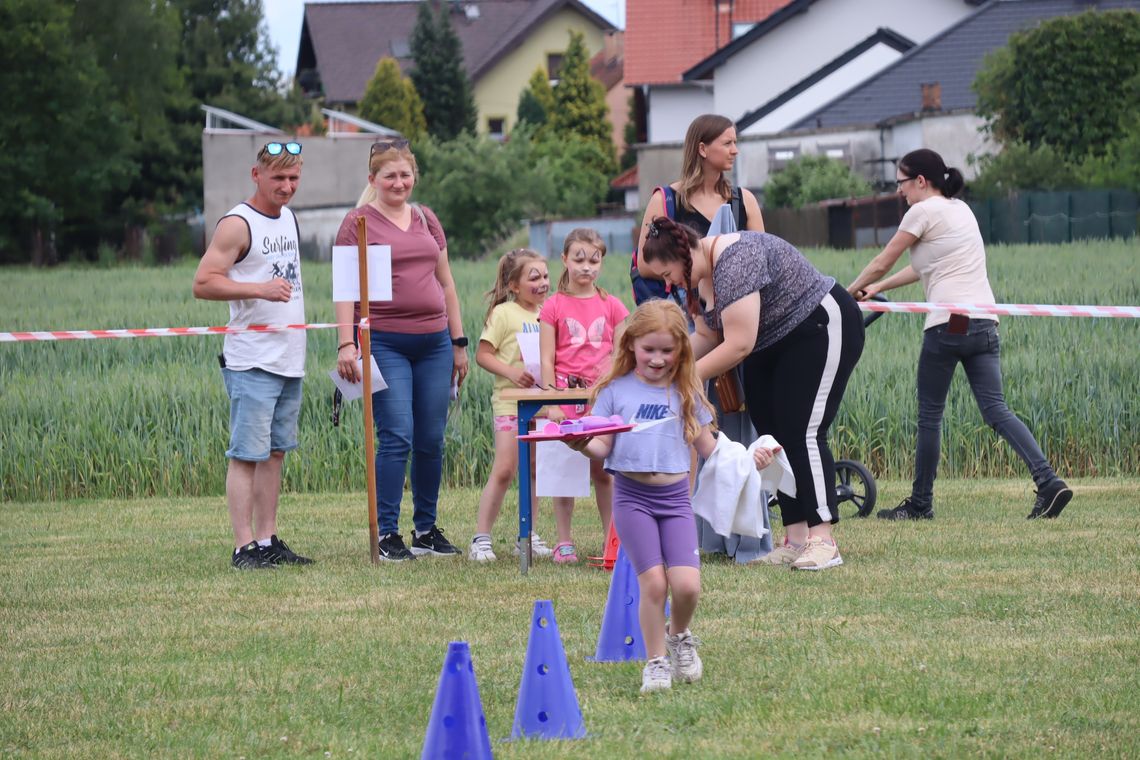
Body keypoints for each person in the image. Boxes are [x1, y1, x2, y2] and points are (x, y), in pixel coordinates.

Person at [846, 148, 1073, 521]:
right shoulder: (959, 209)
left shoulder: (921, 211)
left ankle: (920, 503)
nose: (899, 191)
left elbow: (883, 258)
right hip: (985, 322)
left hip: (949, 325)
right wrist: (880, 287)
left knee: (930, 416)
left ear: (920, 181)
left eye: (901, 183)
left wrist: (847, 291)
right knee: (996, 410)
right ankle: (1048, 481)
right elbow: (926, 267)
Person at [567, 300, 778, 693]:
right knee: (654, 586)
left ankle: (678, 636)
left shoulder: (685, 393)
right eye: (650, 349)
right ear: (631, 345)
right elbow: (602, 447)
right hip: (631, 500)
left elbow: (712, 449)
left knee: (687, 587)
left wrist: (752, 459)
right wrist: (580, 444)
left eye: (668, 351)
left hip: (676, 503)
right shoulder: (615, 392)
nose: (658, 359)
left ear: (681, 350)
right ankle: (656, 662)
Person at [640, 219, 864, 571]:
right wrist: (665, 371)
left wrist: (685, 379)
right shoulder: (703, 279)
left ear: (685, 255)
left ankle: (824, 539)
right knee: (771, 432)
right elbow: (708, 338)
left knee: (801, 430)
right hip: (774, 341)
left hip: (819, 326)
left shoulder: (737, 258)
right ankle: (796, 538)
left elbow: (739, 343)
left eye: (667, 273)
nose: (668, 284)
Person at [632, 113, 768, 563]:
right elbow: (646, 264)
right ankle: (685, 524)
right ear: (702, 148)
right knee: (689, 418)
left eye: (736, 142)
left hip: (737, 320)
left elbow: (759, 256)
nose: (734, 150)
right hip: (686, 322)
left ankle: (744, 528)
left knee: (741, 416)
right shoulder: (667, 200)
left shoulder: (744, 200)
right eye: (727, 143)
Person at [334, 138, 468, 561]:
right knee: (397, 435)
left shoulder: (427, 219)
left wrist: (458, 342)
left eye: (405, 175)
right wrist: (346, 344)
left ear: (414, 177)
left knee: (431, 438)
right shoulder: (357, 223)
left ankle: (425, 530)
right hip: (384, 341)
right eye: (389, 175)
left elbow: (446, 283)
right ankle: (387, 534)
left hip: (434, 342)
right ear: (372, 179)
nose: (398, 182)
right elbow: (344, 290)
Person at [192, 140, 313, 569]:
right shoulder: (237, 224)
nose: (286, 186)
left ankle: (267, 539)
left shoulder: (290, 218)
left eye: (293, 177)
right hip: (252, 359)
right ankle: (243, 548)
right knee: (247, 454)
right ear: (256, 175)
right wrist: (257, 288)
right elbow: (203, 282)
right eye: (278, 177)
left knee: (276, 452)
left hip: (289, 356)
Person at [539, 228, 630, 564]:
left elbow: (622, 358)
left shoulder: (614, 306)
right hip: (564, 399)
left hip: (603, 400)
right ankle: (564, 542)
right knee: (564, 471)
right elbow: (547, 358)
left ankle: (613, 540)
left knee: (605, 471)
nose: (587, 267)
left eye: (594, 260)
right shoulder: (553, 306)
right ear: (564, 260)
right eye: (579, 259)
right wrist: (551, 402)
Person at [469, 248, 553, 562]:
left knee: (534, 470)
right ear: (514, 285)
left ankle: (527, 534)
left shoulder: (549, 312)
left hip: (541, 405)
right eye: (535, 277)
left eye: (546, 276)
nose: (543, 282)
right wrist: (512, 373)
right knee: (505, 469)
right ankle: (481, 538)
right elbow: (483, 355)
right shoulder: (504, 314)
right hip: (509, 404)